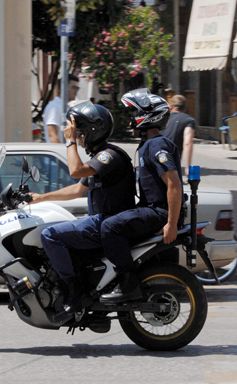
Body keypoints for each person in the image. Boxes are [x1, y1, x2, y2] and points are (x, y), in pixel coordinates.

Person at [30, 101, 136, 321]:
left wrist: (69, 142)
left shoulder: (109, 156)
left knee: (50, 235)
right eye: (76, 134)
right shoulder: (100, 158)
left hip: (108, 222)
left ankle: (74, 292)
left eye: (80, 133)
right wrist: (41, 198)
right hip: (102, 221)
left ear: (93, 131)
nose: (77, 137)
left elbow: (75, 171)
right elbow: (79, 189)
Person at [99, 89, 184, 303]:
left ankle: (127, 283)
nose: (129, 121)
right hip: (154, 210)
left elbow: (173, 184)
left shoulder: (157, 145)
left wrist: (171, 224)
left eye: (132, 114)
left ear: (146, 115)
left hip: (160, 212)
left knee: (110, 227)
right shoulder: (149, 144)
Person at [162, 94, 196, 178]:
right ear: (185, 108)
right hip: (171, 164)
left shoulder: (162, 118)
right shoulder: (188, 120)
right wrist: (188, 168)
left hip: (154, 159)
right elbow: (187, 143)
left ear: (171, 106)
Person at [42, 74, 80, 143]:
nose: (76, 91)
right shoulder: (54, 107)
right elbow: (52, 135)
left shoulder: (66, 108)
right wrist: (62, 153)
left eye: (77, 88)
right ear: (63, 88)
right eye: (73, 87)